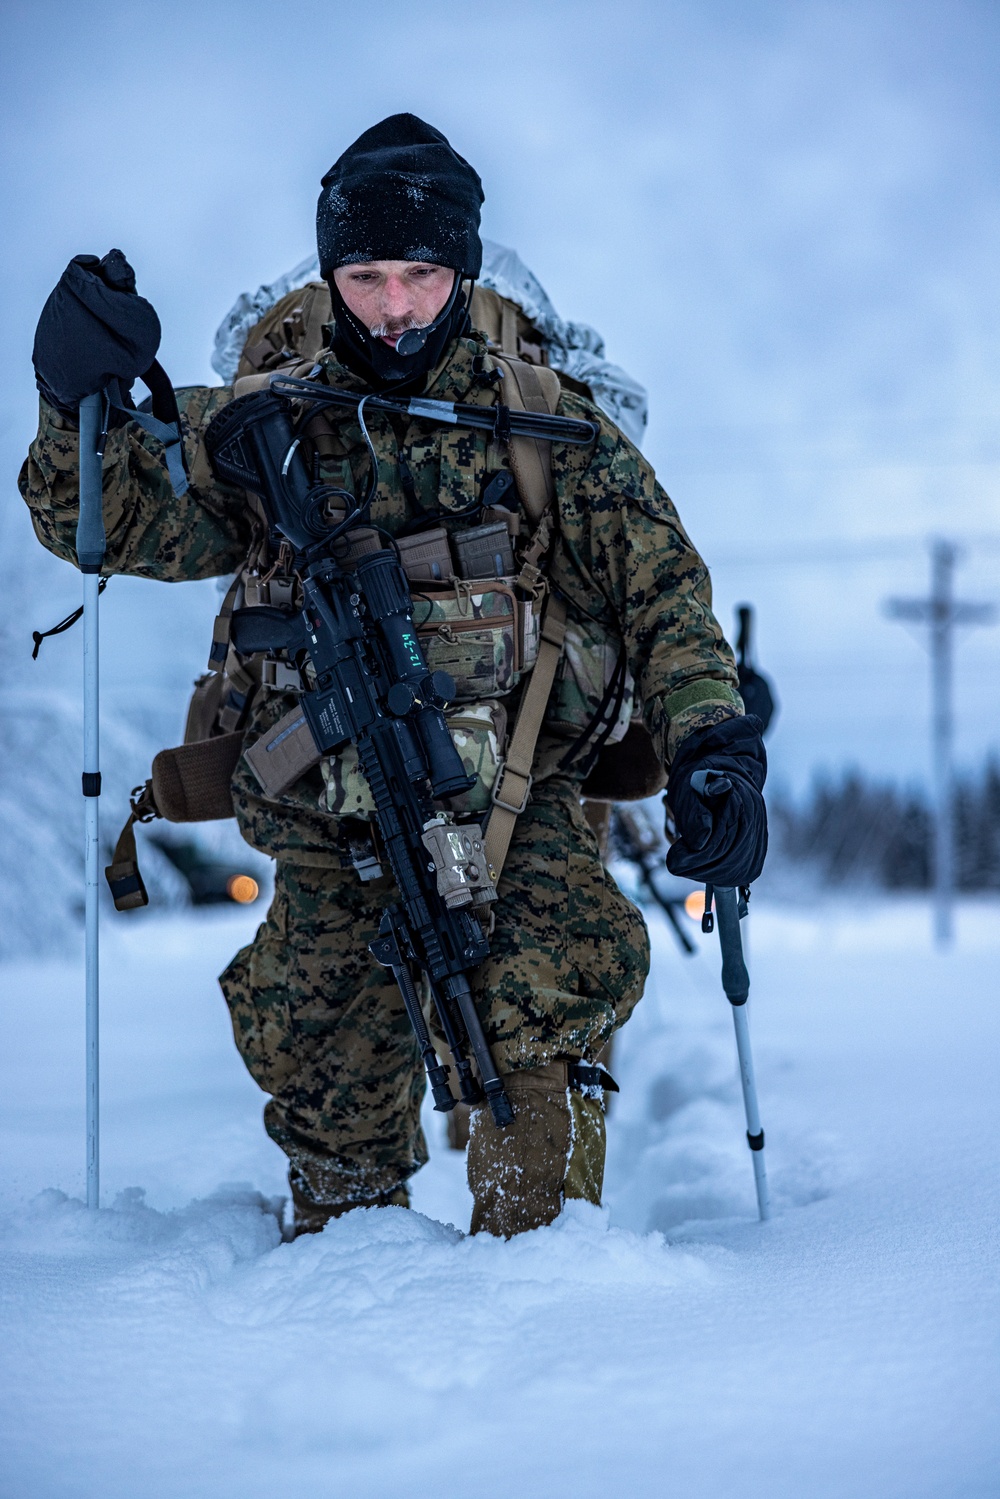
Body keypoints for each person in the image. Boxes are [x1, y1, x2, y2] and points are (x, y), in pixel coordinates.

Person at [21, 114, 767, 1238]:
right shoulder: (262, 422)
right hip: (323, 817)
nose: (396, 305)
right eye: (365, 275)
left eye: (420, 273)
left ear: (458, 268)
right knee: (324, 1067)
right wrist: (70, 398)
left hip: (518, 810)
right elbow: (105, 526)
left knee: (537, 1015)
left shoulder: (550, 429)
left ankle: (545, 1287)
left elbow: (667, 595)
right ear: (331, 275)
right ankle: (341, 1292)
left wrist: (713, 744)